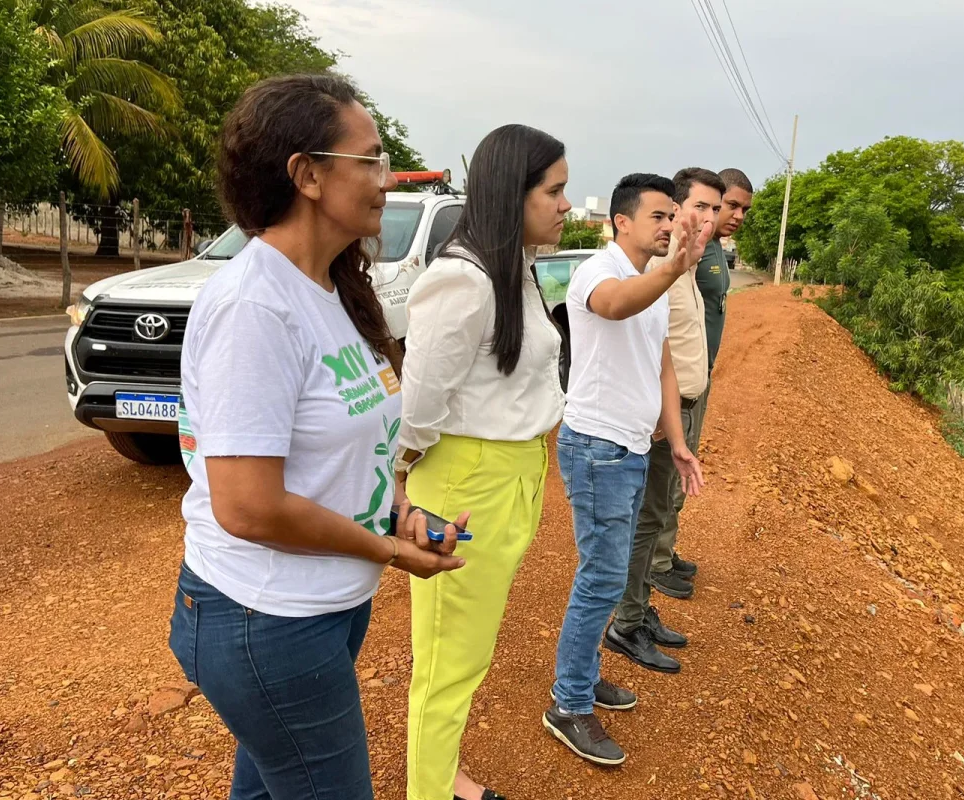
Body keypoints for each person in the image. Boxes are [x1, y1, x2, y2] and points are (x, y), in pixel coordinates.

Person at [168, 73, 465, 800]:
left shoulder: (333, 288)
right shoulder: (255, 308)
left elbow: (350, 449)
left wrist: (400, 514)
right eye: (370, 159)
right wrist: (390, 552)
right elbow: (247, 506)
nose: (387, 178)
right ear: (306, 174)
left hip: (319, 610)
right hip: (263, 623)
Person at [397, 124, 569, 800]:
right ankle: (429, 791)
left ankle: (445, 775)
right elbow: (418, 405)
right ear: (512, 193)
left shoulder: (515, 268)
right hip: (466, 483)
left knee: (468, 651)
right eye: (553, 191)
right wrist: (403, 488)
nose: (562, 204)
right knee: (447, 663)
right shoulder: (461, 281)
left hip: (514, 475)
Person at [543, 173, 708, 766]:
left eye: (673, 217)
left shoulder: (651, 283)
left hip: (632, 447)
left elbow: (661, 362)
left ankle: (580, 679)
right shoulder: (598, 271)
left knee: (605, 575)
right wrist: (672, 269)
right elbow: (613, 308)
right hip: (598, 448)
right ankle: (569, 701)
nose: (669, 226)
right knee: (602, 579)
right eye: (660, 217)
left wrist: (677, 441)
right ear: (622, 222)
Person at [607, 168, 724, 673]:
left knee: (655, 516)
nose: (709, 218)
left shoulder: (688, 266)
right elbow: (647, 356)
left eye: (716, 210)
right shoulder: (654, 272)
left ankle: (635, 610)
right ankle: (626, 621)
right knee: (643, 522)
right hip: (658, 418)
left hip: (680, 411)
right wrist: (665, 418)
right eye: (699, 207)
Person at [648, 167, 754, 599]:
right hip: (675, 385)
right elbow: (660, 333)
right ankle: (653, 564)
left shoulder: (707, 253)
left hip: (697, 377)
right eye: (723, 205)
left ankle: (664, 552)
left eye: (735, 209)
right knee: (663, 483)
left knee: (677, 480)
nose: (732, 215)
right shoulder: (676, 256)